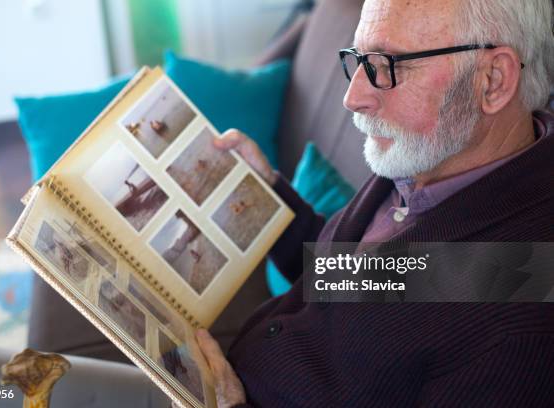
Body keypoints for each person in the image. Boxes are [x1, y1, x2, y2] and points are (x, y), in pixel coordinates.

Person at [192, 0, 554, 406]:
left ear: (493, 80)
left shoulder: (521, 303)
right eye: (361, 59)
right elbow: (358, 281)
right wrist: (266, 192)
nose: (353, 96)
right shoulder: (428, 156)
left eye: (389, 64)